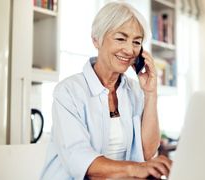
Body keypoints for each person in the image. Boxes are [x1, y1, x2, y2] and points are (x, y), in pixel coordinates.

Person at [40, 1, 172, 179]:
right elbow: (80, 160)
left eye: (136, 42)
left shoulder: (135, 91)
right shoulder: (68, 91)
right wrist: (135, 169)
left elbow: (147, 153)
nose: (129, 50)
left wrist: (151, 93)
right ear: (96, 39)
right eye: (120, 38)